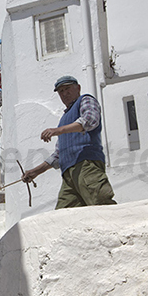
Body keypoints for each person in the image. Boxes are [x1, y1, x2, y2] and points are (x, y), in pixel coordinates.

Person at [21, 75, 116, 209]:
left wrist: (58, 130)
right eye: (61, 91)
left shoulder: (85, 100)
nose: (65, 93)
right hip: (68, 175)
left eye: (67, 89)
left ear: (78, 88)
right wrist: (35, 172)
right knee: (63, 215)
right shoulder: (64, 119)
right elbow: (58, 155)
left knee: (101, 205)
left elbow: (90, 119)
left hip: (86, 165)